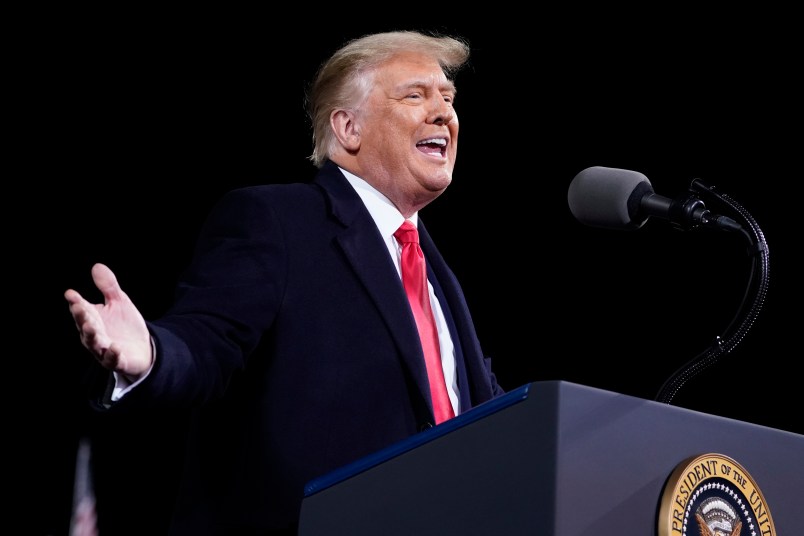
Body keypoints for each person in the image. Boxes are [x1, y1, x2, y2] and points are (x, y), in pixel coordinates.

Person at [64, 29, 506, 535]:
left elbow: (492, 418)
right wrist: (152, 353)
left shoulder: (435, 272)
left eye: (448, 99)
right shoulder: (279, 221)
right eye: (415, 95)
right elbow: (209, 341)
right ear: (348, 127)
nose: (443, 114)